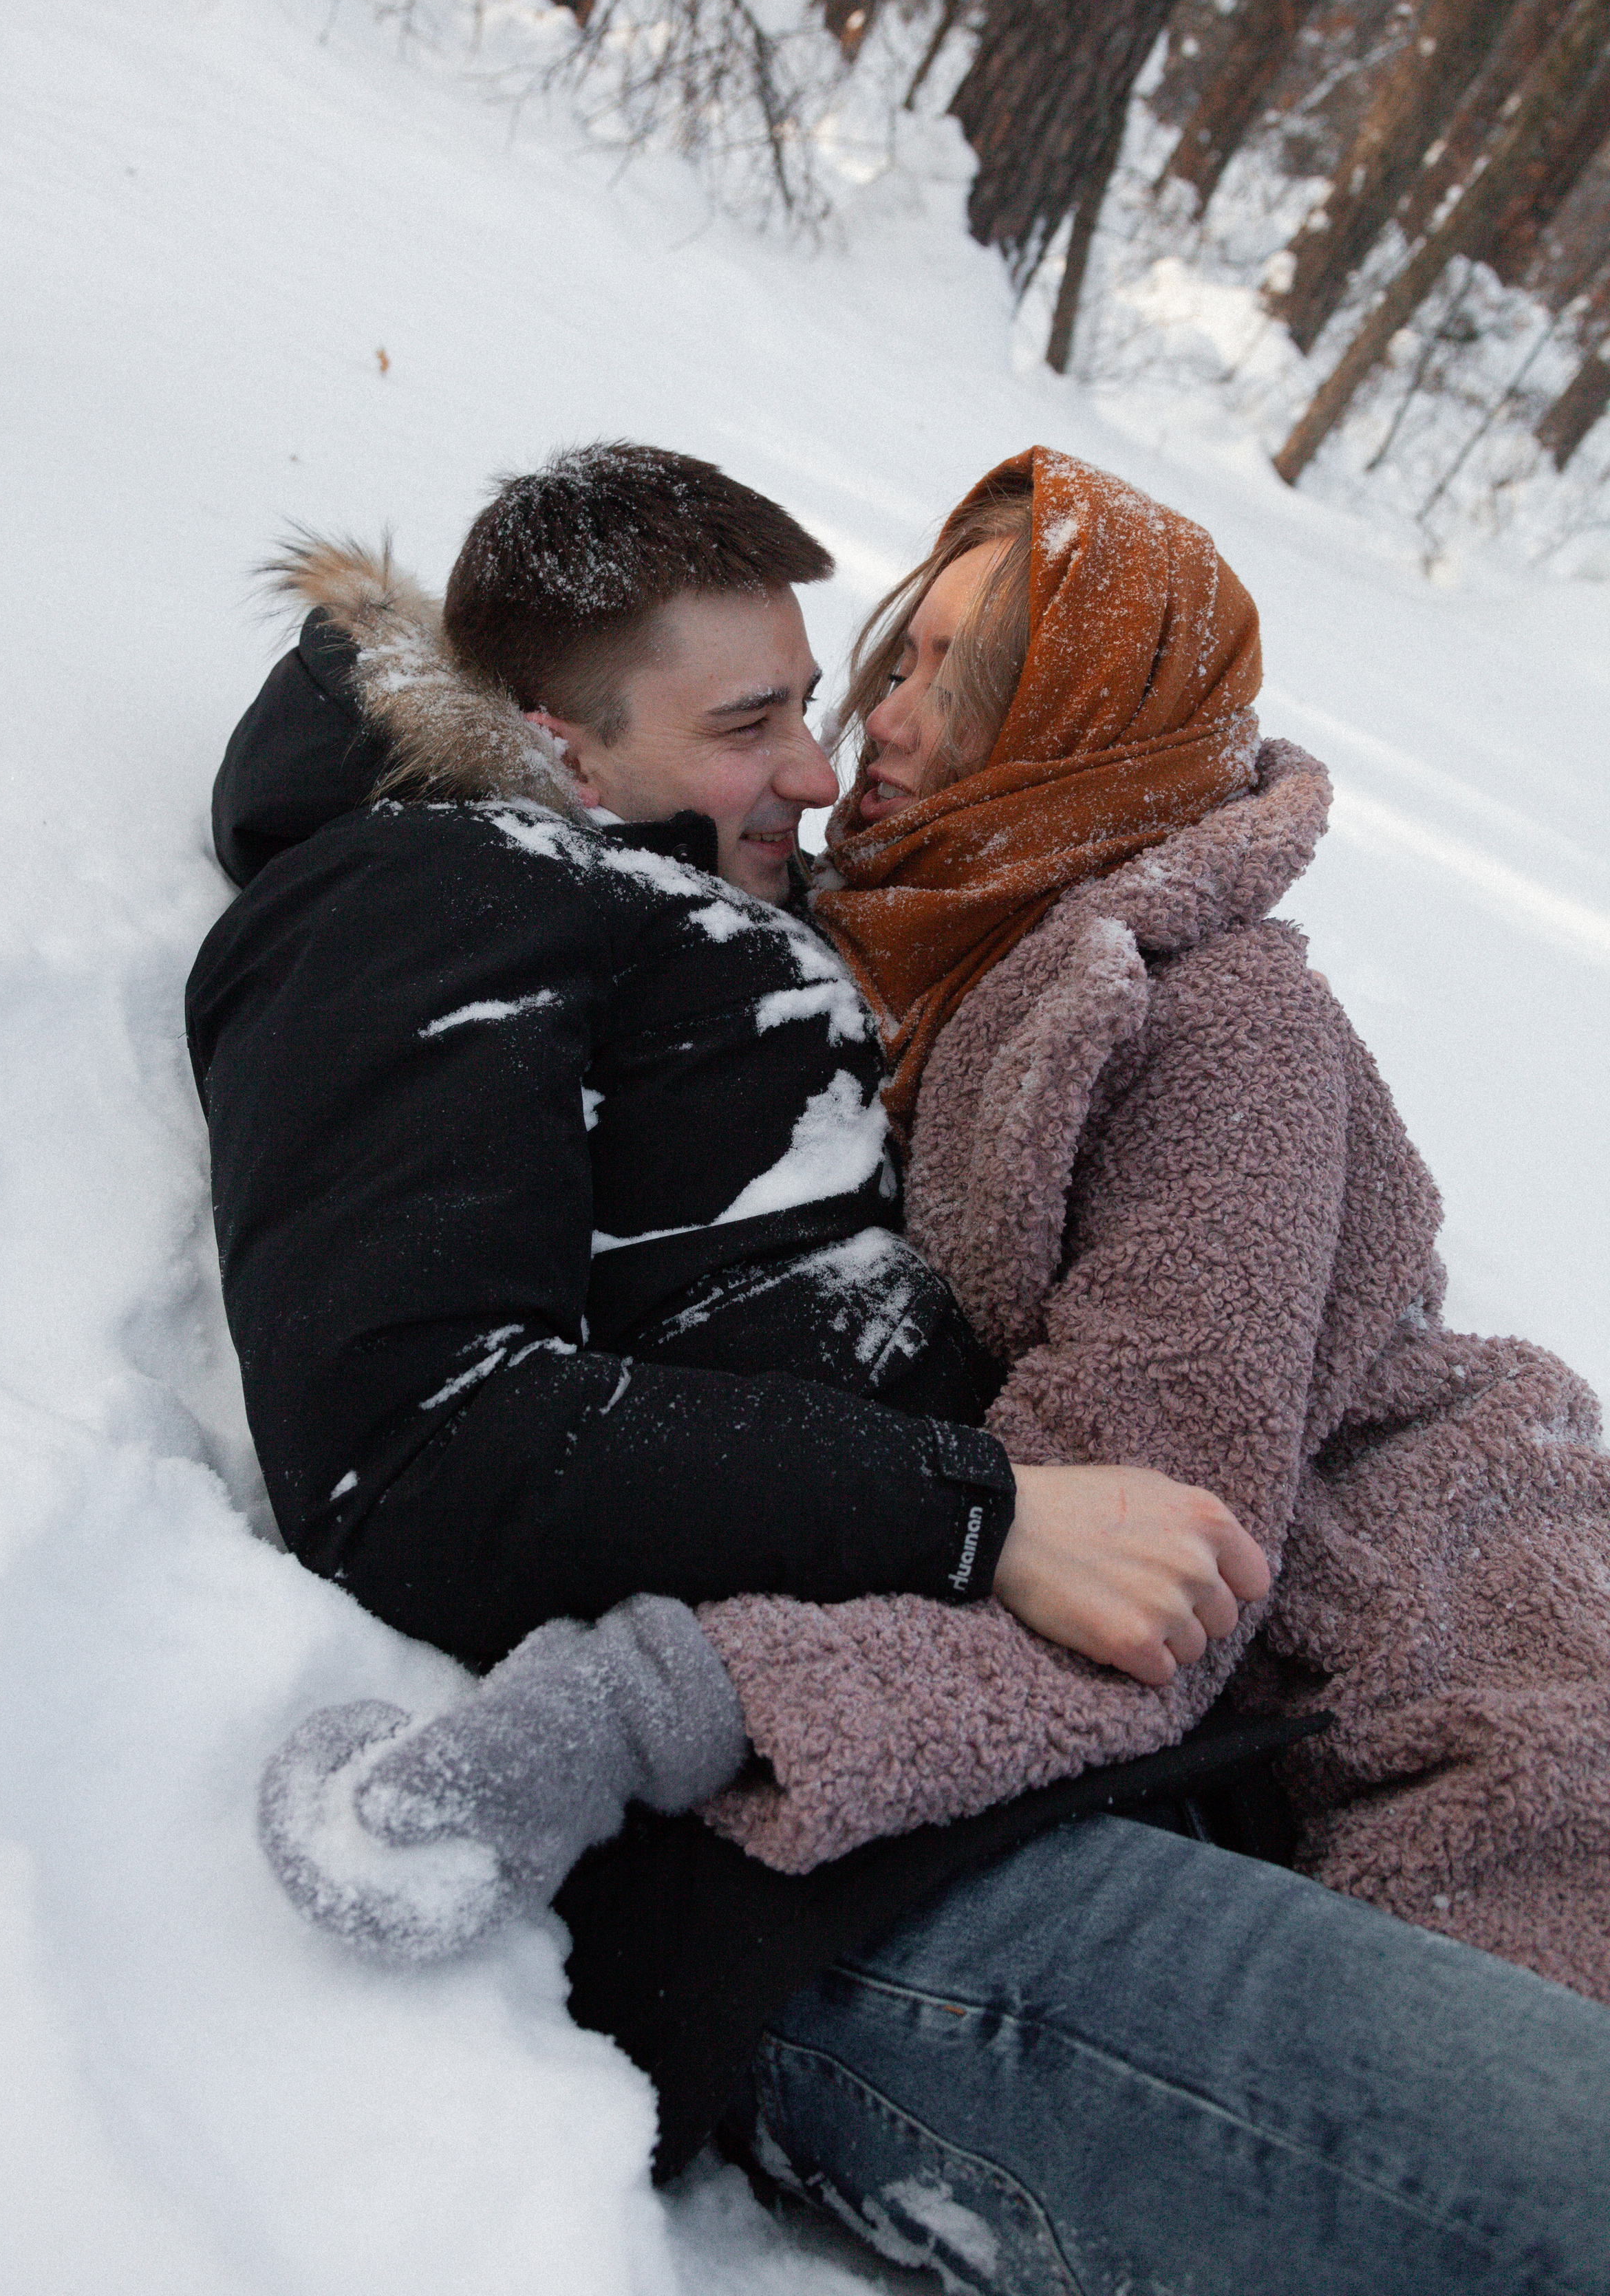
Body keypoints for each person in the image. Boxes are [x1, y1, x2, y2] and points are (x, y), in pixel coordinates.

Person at [189, 444, 1610, 2294]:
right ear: (555, 738)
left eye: (951, 675)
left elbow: (1160, 1505)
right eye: (815, 696)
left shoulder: (1056, 992)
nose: (849, 747)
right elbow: (422, 1434)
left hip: (1244, 1753)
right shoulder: (477, 902)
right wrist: (963, 1524)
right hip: (873, 1846)